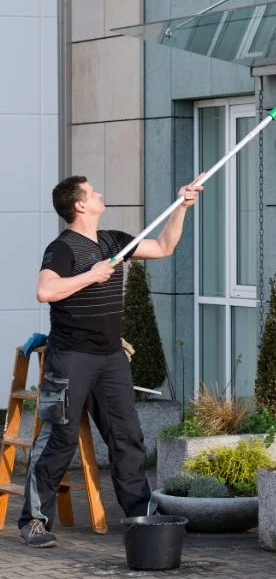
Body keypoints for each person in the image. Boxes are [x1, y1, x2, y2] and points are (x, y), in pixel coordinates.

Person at [18, 175, 202, 547]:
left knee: (127, 438)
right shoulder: (63, 249)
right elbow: (45, 290)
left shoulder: (112, 241)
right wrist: (91, 275)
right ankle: (34, 521)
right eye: (93, 192)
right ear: (80, 206)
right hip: (70, 359)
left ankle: (141, 515)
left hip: (110, 360)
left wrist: (181, 206)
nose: (101, 193)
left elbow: (165, 246)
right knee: (59, 438)